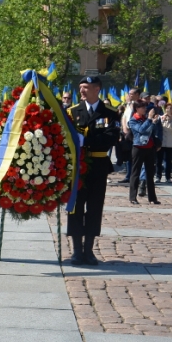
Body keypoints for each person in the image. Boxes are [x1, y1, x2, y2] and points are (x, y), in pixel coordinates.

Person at [66, 76, 121, 266]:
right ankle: (76, 250)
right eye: (81, 86)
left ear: (97, 89)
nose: (82, 90)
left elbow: (111, 137)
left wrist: (86, 142)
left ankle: (88, 250)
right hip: (78, 166)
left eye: (86, 87)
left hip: (98, 164)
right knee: (76, 206)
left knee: (95, 207)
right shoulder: (73, 112)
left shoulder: (110, 113)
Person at [128, 100, 161, 205]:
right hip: (138, 148)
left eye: (145, 107)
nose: (144, 109)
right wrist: (150, 119)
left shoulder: (146, 118)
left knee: (150, 173)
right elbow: (141, 130)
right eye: (142, 107)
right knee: (135, 173)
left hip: (149, 147)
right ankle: (133, 197)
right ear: (137, 109)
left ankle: (152, 198)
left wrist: (154, 121)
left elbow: (151, 131)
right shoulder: (133, 120)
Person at [157, 103, 172, 184]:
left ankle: (168, 177)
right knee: (159, 160)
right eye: (167, 108)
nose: (169, 110)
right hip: (160, 142)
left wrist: (171, 120)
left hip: (169, 142)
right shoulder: (160, 117)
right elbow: (157, 127)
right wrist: (162, 119)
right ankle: (158, 176)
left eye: (171, 108)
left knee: (168, 160)